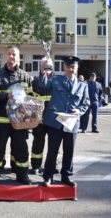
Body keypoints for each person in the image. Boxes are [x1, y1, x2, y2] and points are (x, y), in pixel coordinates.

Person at [41, 56, 90, 187]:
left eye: (73, 66)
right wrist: (45, 70)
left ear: (77, 68)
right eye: (68, 66)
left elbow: (86, 103)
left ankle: (66, 176)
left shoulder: (82, 85)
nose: (70, 69)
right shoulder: (56, 80)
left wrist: (79, 111)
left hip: (72, 122)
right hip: (55, 122)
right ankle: (48, 176)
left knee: (69, 151)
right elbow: (44, 85)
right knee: (52, 150)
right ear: (64, 68)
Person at [0, 46, 32, 185]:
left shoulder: (25, 76)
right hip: (2, 119)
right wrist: (6, 95)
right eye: (9, 54)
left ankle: (22, 174)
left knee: (21, 147)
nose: (11, 56)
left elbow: (30, 97)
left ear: (18, 57)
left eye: (14, 54)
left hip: (19, 120)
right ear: (6, 57)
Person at [30, 57, 53, 174]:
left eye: (48, 66)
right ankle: (35, 165)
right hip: (39, 119)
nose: (46, 68)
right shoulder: (35, 81)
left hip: (53, 119)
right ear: (40, 67)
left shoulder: (56, 81)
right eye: (44, 66)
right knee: (38, 143)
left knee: (53, 145)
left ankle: (52, 166)